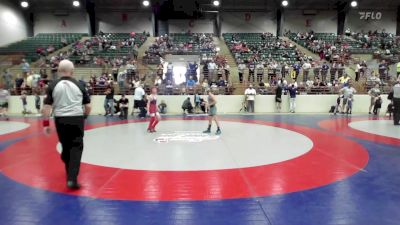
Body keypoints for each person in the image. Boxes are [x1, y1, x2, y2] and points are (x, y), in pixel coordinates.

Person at [42, 59, 91, 190]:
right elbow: (88, 106)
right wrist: (84, 116)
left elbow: (46, 107)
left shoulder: (52, 85)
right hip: (76, 119)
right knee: (76, 147)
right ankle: (72, 180)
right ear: (72, 71)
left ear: (58, 71)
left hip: (60, 120)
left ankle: (67, 163)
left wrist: (45, 123)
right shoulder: (80, 85)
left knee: (66, 145)